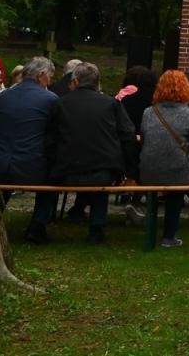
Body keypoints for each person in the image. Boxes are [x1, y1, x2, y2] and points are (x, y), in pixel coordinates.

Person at [47, 61, 138, 244]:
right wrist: (130, 172)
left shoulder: (61, 103)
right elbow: (128, 135)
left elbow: (50, 138)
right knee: (100, 176)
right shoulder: (111, 104)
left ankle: (50, 218)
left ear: (76, 81)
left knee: (96, 169)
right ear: (97, 83)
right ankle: (97, 228)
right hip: (104, 171)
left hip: (67, 170)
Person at [0, 56, 60, 243]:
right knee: (53, 179)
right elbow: (53, 134)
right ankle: (37, 227)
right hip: (32, 166)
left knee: (6, 181)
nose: (50, 81)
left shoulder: (3, 96)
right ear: (41, 75)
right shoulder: (50, 99)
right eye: (50, 77)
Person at [138, 70, 189, 248]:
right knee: (177, 189)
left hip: (148, 171)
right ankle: (168, 236)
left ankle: (150, 227)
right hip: (178, 173)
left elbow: (144, 139)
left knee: (161, 185)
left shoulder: (148, 112)